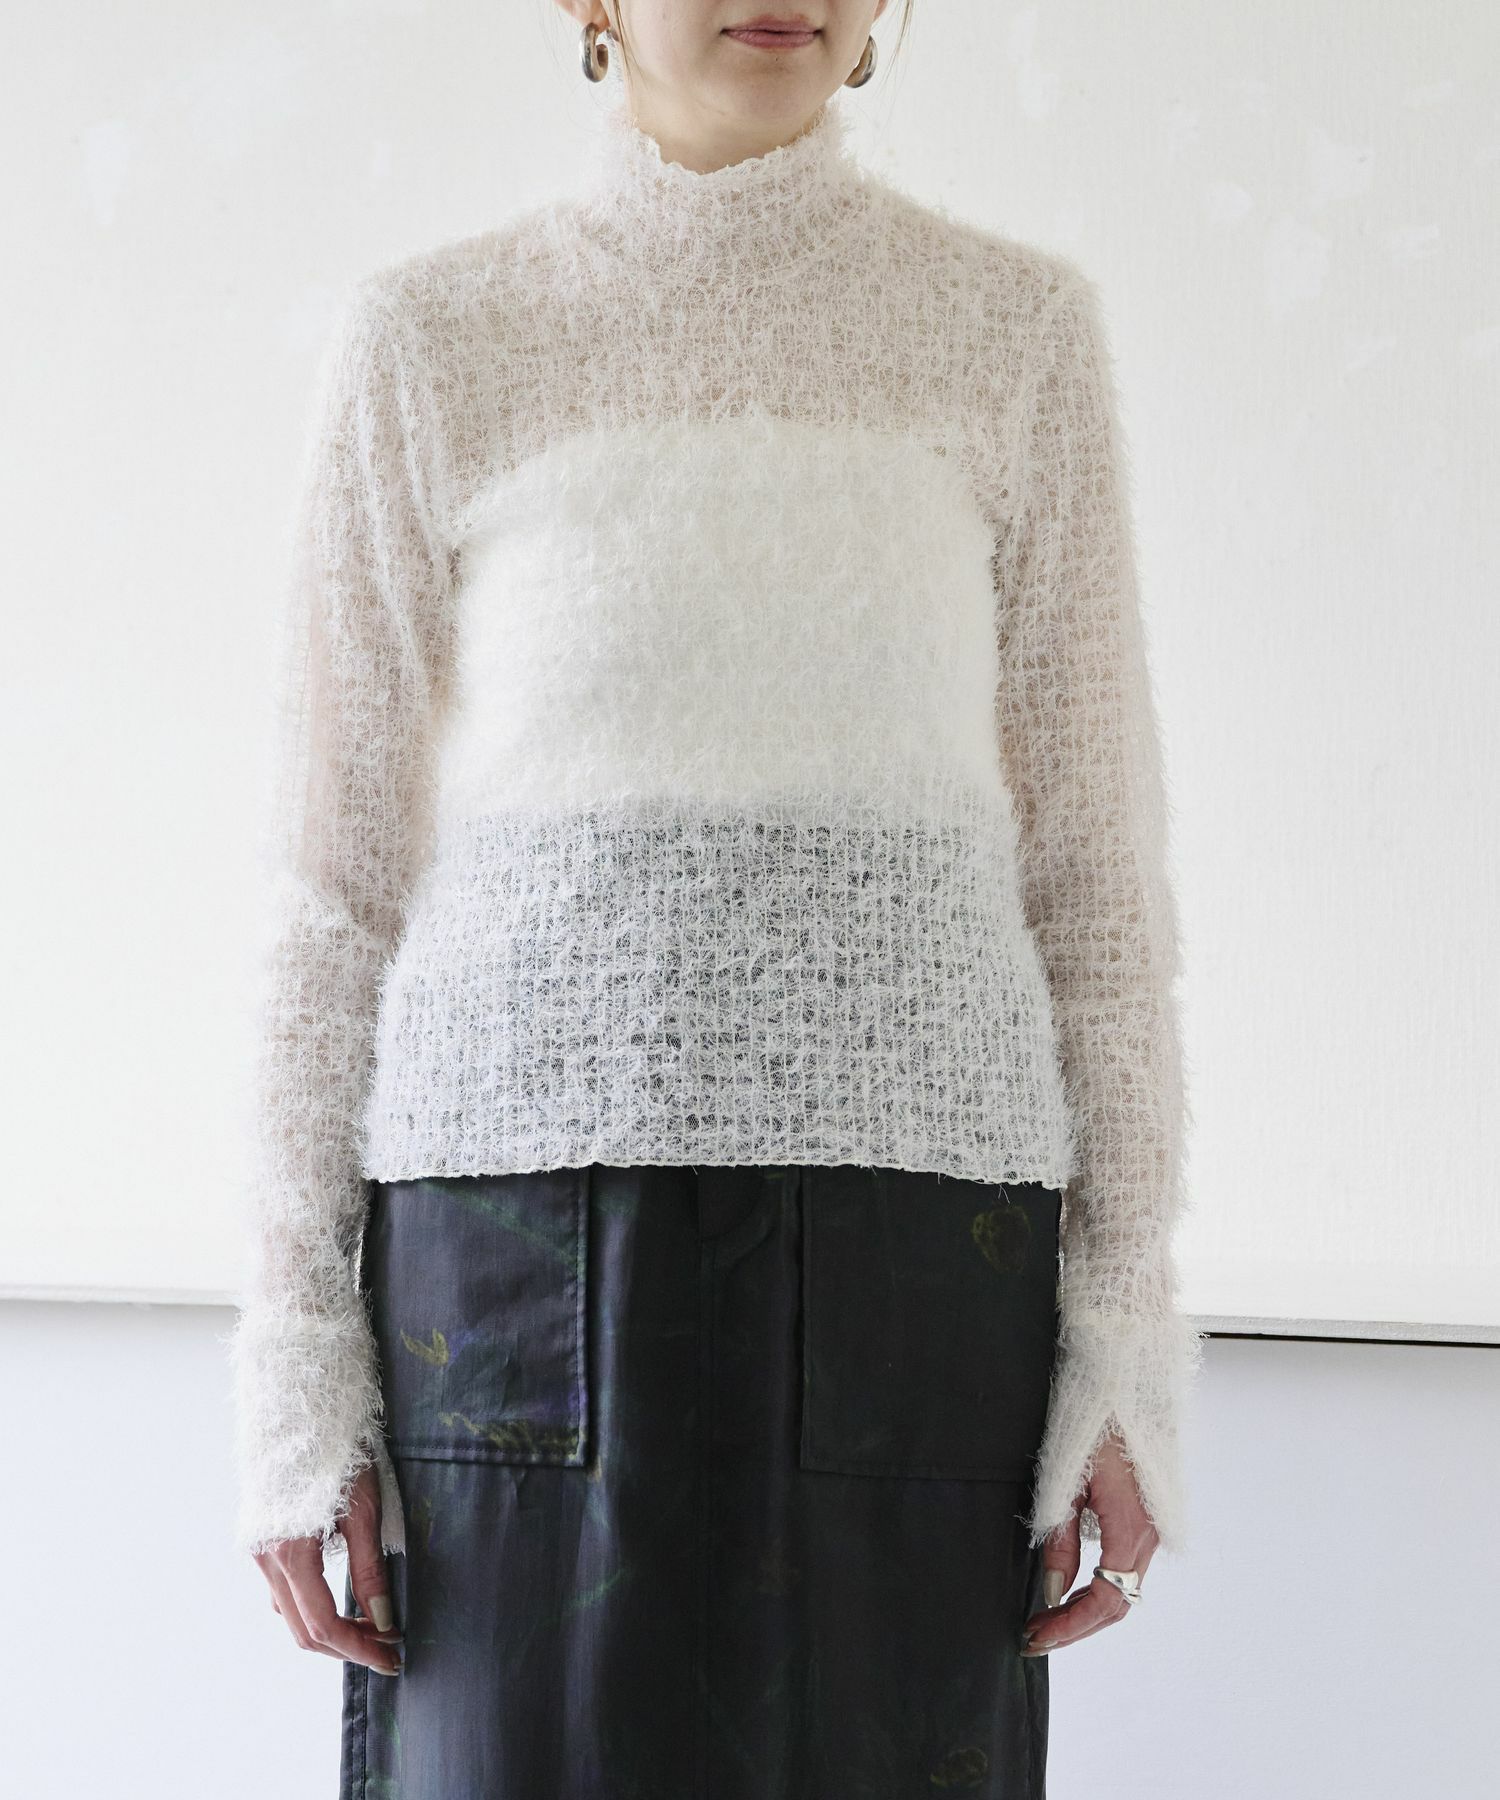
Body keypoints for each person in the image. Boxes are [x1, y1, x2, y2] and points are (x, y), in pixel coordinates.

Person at [226, 2, 1205, 1792]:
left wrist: (1125, 1332)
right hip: (507, 1281)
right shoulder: (434, 339)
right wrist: (296, 1356)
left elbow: (1096, 886)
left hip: (922, 1280)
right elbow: (329, 891)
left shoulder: (1013, 334)